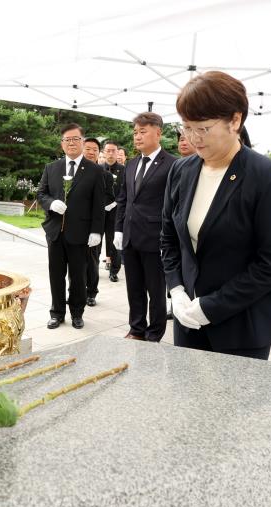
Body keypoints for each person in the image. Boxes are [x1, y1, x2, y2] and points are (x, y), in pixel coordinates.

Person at [160, 70, 271, 360]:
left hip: (242, 325)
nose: (193, 138)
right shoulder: (181, 171)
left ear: (235, 121)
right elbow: (169, 237)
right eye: (187, 128)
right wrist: (176, 288)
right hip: (188, 320)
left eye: (203, 128)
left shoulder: (267, 175)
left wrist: (211, 306)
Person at [114, 113, 177, 342]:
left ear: (158, 133)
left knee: (156, 291)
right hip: (130, 238)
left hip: (155, 239)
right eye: (135, 133)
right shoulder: (130, 164)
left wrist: (169, 239)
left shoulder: (172, 165)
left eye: (143, 132)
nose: (137, 137)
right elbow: (124, 199)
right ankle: (137, 329)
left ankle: (154, 333)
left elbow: (174, 205)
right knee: (134, 289)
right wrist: (118, 229)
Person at [38, 124, 104, 330]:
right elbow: (41, 194)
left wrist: (96, 231)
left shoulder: (94, 170)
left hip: (81, 234)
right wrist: (51, 204)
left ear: (83, 142)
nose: (72, 143)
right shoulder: (52, 168)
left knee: (78, 276)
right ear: (62, 144)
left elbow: (98, 204)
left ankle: (77, 312)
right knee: (55, 274)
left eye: (76, 139)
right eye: (68, 139)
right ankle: (57, 313)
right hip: (55, 233)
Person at [82, 137, 113, 306]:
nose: (91, 152)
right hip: (76, 223)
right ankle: (75, 291)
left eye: (95, 149)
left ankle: (91, 292)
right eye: (88, 148)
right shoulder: (73, 172)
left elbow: (109, 196)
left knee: (92, 258)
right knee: (75, 260)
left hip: (94, 223)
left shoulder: (105, 174)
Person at [101, 140, 125, 282]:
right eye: (108, 150)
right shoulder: (97, 168)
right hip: (99, 211)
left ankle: (114, 270)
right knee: (95, 242)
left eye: (113, 151)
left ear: (117, 152)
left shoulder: (124, 170)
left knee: (114, 241)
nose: (110, 153)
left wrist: (115, 203)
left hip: (116, 212)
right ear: (104, 152)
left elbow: (126, 191)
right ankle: (92, 269)